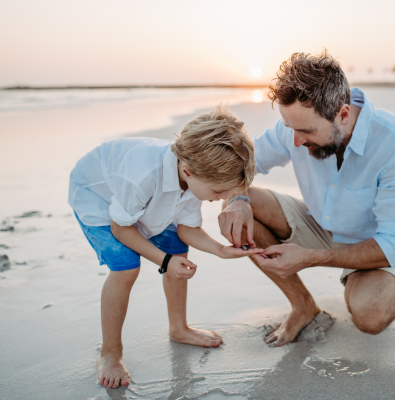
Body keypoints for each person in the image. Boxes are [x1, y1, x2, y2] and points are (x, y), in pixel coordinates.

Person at [219, 51, 395, 347]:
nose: (297, 141)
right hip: (317, 224)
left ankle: (360, 282)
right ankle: (303, 306)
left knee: (372, 315)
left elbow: (394, 244)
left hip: (374, 248)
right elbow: (241, 165)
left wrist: (311, 258)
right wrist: (237, 199)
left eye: (306, 131)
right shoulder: (294, 128)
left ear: (342, 114)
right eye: (291, 129)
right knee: (242, 203)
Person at [68, 106, 262, 389]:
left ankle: (179, 328)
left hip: (140, 201)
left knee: (176, 244)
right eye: (219, 192)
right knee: (126, 267)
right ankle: (110, 352)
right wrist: (164, 261)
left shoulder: (194, 175)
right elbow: (121, 228)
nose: (220, 198)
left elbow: (187, 228)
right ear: (188, 171)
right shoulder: (142, 175)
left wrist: (220, 250)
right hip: (97, 195)